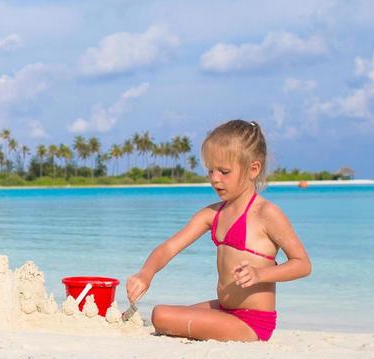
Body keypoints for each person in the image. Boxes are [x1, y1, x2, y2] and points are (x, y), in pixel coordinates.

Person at [125, 120, 310, 342]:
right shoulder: (213, 214)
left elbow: (302, 264)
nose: (215, 179)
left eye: (224, 171)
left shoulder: (266, 214)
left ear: (253, 169)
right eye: (211, 171)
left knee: (160, 315)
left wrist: (261, 274)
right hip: (224, 308)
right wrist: (146, 273)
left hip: (252, 322)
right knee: (172, 313)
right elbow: (169, 247)